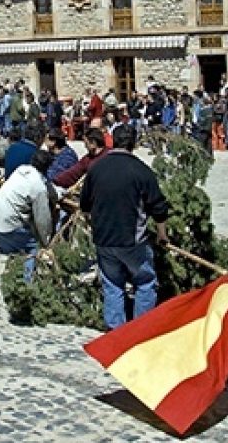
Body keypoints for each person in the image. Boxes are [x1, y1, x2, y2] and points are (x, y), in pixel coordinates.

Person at [80, 124, 169, 330]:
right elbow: (158, 207)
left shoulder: (96, 168)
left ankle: (115, 330)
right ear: (134, 143)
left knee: (112, 284)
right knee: (145, 281)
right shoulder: (142, 171)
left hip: (103, 239)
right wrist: (162, 234)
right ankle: (141, 329)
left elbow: (85, 205)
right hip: (132, 241)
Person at [0, 148, 56, 278]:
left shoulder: (21, 170)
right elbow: (42, 221)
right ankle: (27, 283)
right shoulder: (38, 188)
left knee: (15, 253)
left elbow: (45, 185)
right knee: (33, 248)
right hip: (7, 227)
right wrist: (46, 242)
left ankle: (13, 277)